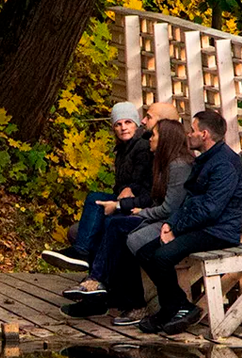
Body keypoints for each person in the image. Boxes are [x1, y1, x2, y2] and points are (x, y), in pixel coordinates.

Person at [105, 109, 242, 334]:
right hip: (199, 225)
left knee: (162, 256)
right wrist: (170, 224)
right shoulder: (206, 160)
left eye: (192, 130)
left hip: (218, 231)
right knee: (144, 251)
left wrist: (176, 227)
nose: (188, 134)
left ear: (204, 134)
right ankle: (180, 306)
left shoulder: (225, 165)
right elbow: (189, 201)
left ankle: (170, 309)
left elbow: (210, 210)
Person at [60, 118, 194, 308]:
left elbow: (169, 209)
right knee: (110, 223)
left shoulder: (178, 166)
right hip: (155, 216)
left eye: (153, 136)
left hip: (170, 224)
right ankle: (100, 290)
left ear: (165, 140)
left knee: (118, 227)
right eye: (117, 123)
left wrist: (140, 212)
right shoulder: (160, 163)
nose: (149, 140)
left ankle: (100, 284)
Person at [40, 101, 159, 271]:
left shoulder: (141, 146)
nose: (123, 128)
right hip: (123, 199)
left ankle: (84, 256)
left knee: (96, 200)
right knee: (92, 206)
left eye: (127, 123)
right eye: (118, 124)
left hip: (138, 202)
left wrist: (130, 189)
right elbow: (120, 185)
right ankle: (90, 265)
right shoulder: (122, 149)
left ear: (136, 124)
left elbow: (141, 179)